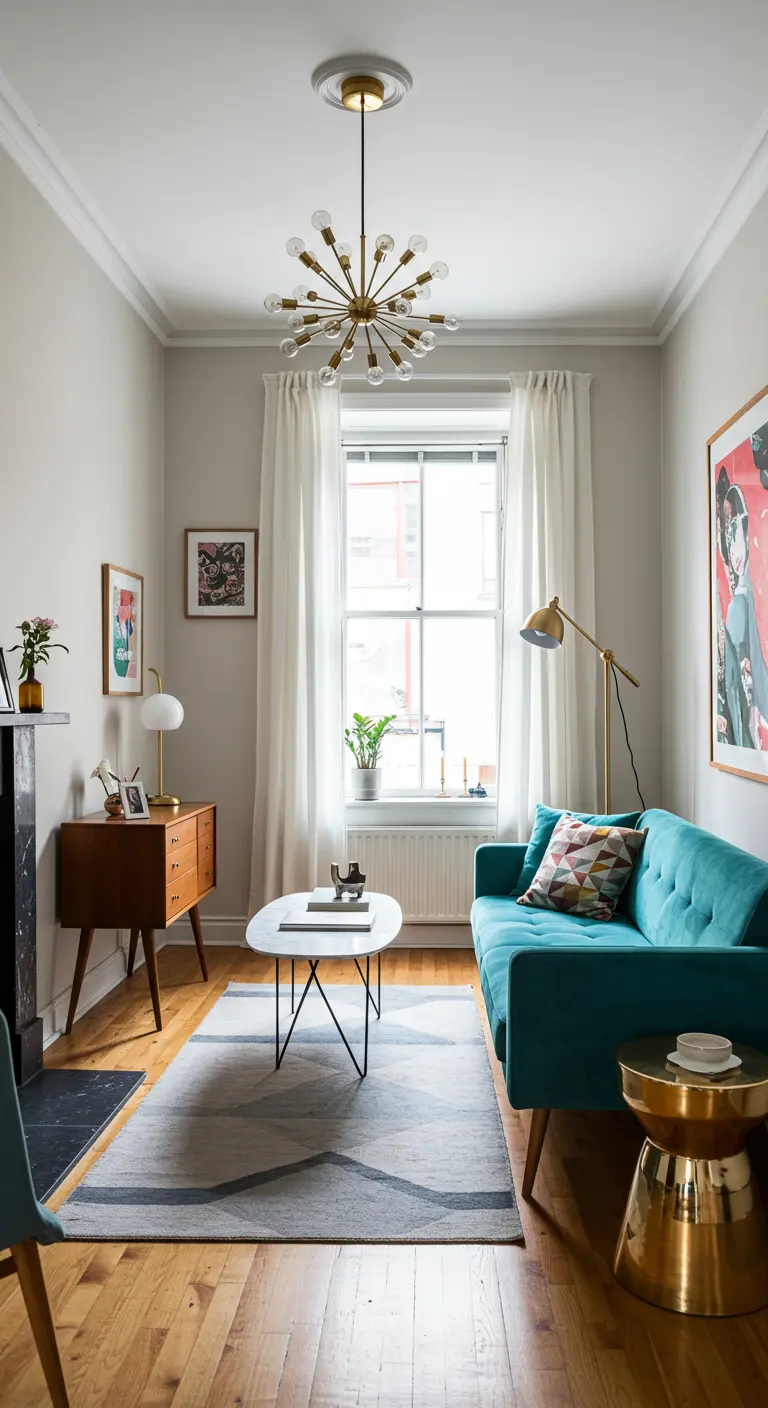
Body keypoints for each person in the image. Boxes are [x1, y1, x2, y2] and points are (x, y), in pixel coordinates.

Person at [716, 466, 768, 750]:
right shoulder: (736, 605)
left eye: (737, 529)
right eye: (728, 532)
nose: (732, 542)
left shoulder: (747, 600)